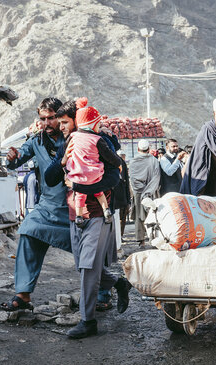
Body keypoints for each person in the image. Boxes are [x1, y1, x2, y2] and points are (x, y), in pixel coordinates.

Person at [45, 101, 132, 338]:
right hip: (75, 213)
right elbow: (50, 178)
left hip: (97, 213)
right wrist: (62, 162)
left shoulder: (99, 142)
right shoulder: (68, 144)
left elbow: (114, 176)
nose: (60, 127)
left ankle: (88, 321)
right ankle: (118, 283)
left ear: (77, 121)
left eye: (64, 122)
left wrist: (80, 185)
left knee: (88, 267)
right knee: (83, 267)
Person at [0, 97, 70, 311]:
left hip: (73, 207)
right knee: (28, 231)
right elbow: (17, 159)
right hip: (47, 206)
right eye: (43, 118)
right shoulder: (37, 141)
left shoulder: (74, 138)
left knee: (88, 253)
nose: (47, 123)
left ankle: (108, 287)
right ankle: (23, 295)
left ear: (60, 117)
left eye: (51, 118)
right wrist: (12, 157)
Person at [64, 97, 121, 227]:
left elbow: (65, 150)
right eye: (97, 124)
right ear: (92, 124)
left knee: (80, 195)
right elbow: (109, 156)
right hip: (94, 174)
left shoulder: (72, 137)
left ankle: (78, 217)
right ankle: (106, 210)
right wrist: (118, 163)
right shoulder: (97, 139)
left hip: (78, 175)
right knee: (99, 192)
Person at [129, 139, 161, 247]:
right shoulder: (154, 160)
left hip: (139, 193)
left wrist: (142, 190)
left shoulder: (133, 161)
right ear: (149, 149)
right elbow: (156, 177)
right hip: (151, 192)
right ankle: (153, 238)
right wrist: (148, 190)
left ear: (138, 149)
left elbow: (133, 179)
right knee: (153, 214)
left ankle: (141, 240)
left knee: (139, 215)